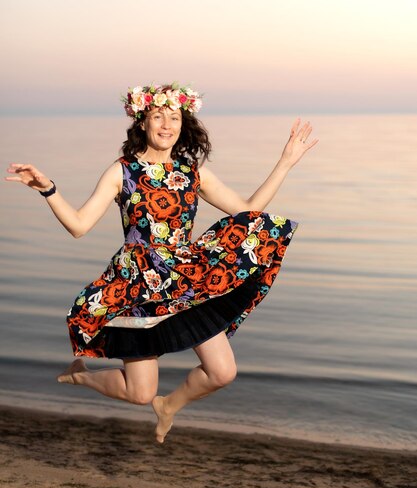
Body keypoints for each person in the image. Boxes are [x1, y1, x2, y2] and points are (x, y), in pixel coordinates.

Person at [5, 82, 318, 444]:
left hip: (186, 280)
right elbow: (78, 226)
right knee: (139, 393)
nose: (166, 125)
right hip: (137, 285)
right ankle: (83, 376)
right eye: (158, 116)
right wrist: (48, 189)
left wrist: (284, 164)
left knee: (222, 372)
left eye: (174, 117)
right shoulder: (121, 171)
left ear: (183, 124)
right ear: (142, 122)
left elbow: (247, 213)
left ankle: (168, 405)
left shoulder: (192, 172)